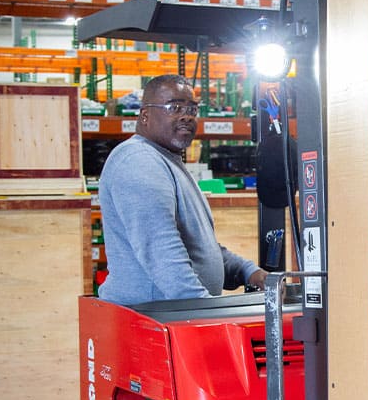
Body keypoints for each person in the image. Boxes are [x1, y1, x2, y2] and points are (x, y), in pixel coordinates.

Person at [98, 74, 267, 305]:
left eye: (192, 109)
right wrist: (203, 310)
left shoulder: (168, 161)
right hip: (153, 318)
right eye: (174, 107)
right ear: (145, 115)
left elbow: (199, 248)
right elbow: (162, 253)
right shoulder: (139, 161)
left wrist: (247, 271)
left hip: (175, 314)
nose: (186, 116)